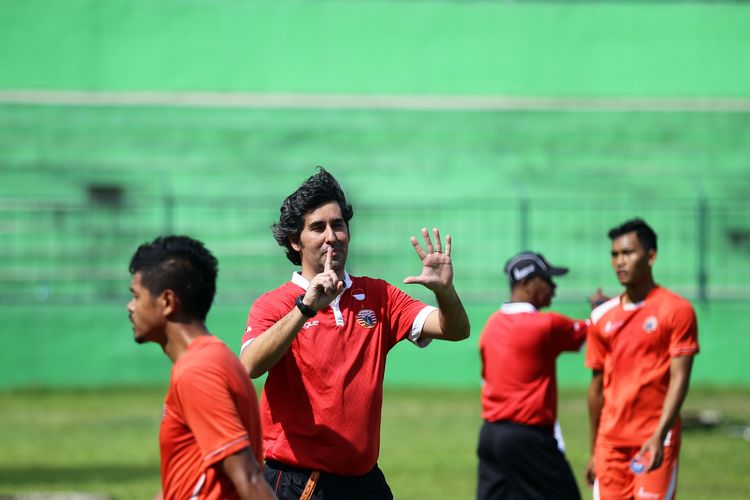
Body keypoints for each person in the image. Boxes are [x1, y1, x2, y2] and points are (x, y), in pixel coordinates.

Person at [240, 167, 471, 499]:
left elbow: (456, 330)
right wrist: (305, 307)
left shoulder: (378, 296)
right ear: (295, 241)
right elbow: (249, 365)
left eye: (339, 225)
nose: (331, 236)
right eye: (318, 227)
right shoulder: (274, 304)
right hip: (300, 482)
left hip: (365, 482)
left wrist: (445, 292)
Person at [127, 235, 275, 500]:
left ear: (168, 302)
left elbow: (250, 478)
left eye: (136, 296)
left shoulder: (198, 370)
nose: (130, 307)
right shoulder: (214, 359)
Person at [585, 218, 699, 500]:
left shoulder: (677, 310)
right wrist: (593, 451)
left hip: (654, 439)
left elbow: (680, 378)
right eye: (615, 255)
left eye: (628, 253)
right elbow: (596, 388)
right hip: (610, 446)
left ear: (651, 257)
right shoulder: (602, 317)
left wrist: (660, 435)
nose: (620, 262)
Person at [477, 251, 588, 500]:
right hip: (528, 438)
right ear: (527, 284)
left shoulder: (491, 324)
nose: (554, 287)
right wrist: (604, 309)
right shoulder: (544, 324)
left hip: (490, 436)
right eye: (547, 280)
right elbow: (596, 330)